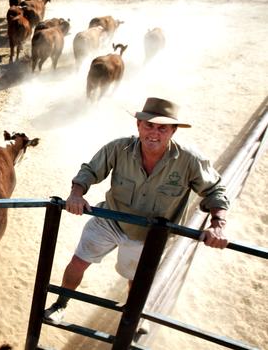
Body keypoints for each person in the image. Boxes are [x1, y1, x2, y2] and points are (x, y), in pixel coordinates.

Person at [44, 97, 230, 324]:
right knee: (78, 262)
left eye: (162, 128)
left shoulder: (190, 161)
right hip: (110, 218)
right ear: (138, 126)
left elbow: (215, 190)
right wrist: (76, 194)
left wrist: (217, 225)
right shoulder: (118, 148)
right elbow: (90, 171)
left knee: (136, 282)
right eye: (149, 125)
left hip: (149, 234)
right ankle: (61, 304)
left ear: (173, 131)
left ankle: (131, 321)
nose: (154, 133)